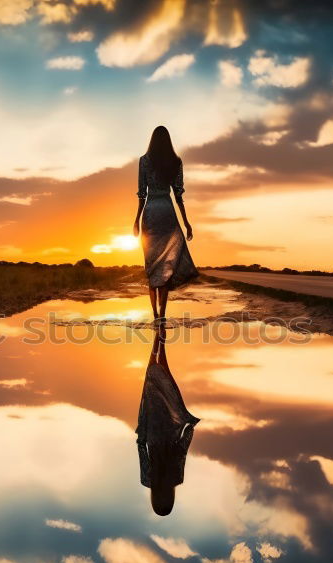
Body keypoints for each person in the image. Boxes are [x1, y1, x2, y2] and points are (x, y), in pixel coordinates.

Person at [132, 126, 199, 321]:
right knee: (166, 266)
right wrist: (186, 222)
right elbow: (178, 195)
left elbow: (142, 194)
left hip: (151, 213)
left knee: (152, 266)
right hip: (168, 212)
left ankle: (154, 314)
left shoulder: (144, 161)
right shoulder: (175, 162)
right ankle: (162, 314)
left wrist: (136, 220)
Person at [135, 323, 200, 516]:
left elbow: (182, 450)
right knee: (150, 379)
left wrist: (189, 430)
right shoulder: (147, 480)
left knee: (165, 379)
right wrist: (143, 424)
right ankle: (157, 338)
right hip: (153, 426)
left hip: (170, 427)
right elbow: (140, 446)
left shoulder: (175, 479)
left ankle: (160, 339)